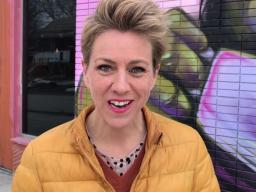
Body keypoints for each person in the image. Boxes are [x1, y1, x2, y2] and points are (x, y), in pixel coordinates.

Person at [12, 0, 220, 191]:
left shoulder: (190, 147)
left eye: (137, 69)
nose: (121, 87)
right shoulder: (39, 157)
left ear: (154, 74)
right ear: (86, 71)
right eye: (105, 67)